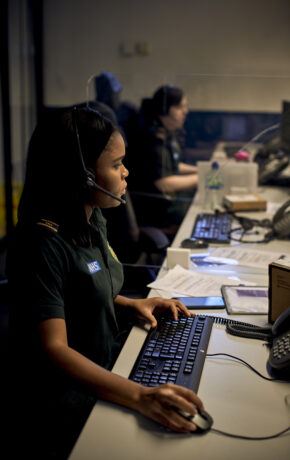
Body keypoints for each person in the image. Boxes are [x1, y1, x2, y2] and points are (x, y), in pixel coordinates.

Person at [5, 106, 204, 458]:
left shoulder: (91, 217)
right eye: (116, 165)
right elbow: (54, 349)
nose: (126, 172)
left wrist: (130, 304)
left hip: (105, 366)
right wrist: (140, 396)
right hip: (62, 397)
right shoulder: (42, 244)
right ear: (82, 176)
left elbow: (79, 291)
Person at [129, 85, 198, 234]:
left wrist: (201, 170)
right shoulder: (152, 137)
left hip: (166, 198)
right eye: (180, 107)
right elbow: (163, 183)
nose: (185, 111)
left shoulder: (166, 130)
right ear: (164, 109)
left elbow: (173, 165)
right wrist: (203, 177)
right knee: (198, 211)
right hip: (156, 206)